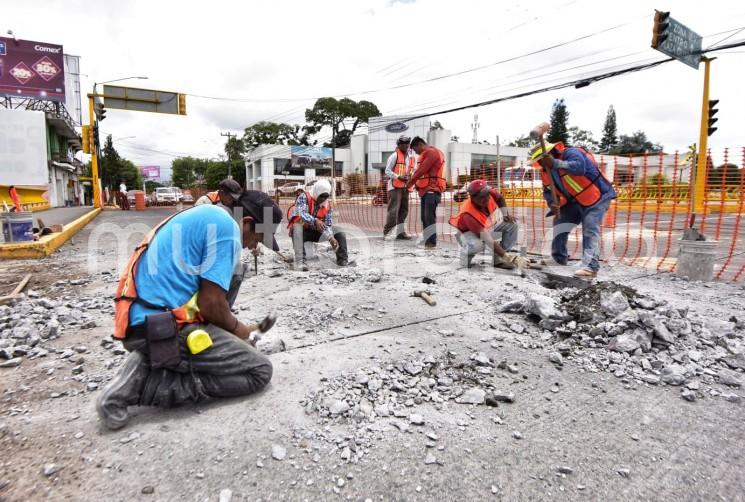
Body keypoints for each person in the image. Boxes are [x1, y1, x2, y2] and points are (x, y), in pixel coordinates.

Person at [96, 191, 282, 430]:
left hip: (139, 319)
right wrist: (241, 333)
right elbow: (211, 304)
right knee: (259, 371)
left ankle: (152, 357)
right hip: (158, 327)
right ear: (246, 223)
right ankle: (145, 385)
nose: (254, 245)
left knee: (236, 271)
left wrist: (231, 331)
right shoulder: (228, 231)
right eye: (258, 237)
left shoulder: (209, 215)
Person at [530, 141, 616, 278]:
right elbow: (547, 190)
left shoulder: (571, 153)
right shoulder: (546, 172)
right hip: (574, 201)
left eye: (542, 160)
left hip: (597, 197)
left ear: (551, 153)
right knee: (559, 224)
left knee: (590, 228)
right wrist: (553, 202)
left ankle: (590, 266)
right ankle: (558, 258)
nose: (541, 163)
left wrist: (556, 163)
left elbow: (579, 168)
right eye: (539, 161)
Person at [449, 179, 527, 269]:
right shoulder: (468, 214)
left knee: (512, 224)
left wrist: (505, 214)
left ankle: (498, 260)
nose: (486, 198)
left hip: (484, 229)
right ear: (473, 198)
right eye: (482, 196)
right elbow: (488, 240)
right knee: (478, 245)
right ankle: (465, 256)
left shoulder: (490, 193)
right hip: (466, 234)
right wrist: (509, 258)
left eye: (487, 195)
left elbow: (500, 198)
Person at [287, 179, 351, 267]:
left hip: (318, 233)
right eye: (321, 196)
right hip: (303, 231)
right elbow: (301, 214)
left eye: (326, 196)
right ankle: (300, 261)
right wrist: (315, 220)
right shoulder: (304, 197)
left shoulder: (327, 206)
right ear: (317, 191)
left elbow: (328, 224)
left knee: (339, 231)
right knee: (296, 228)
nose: (323, 199)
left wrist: (330, 237)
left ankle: (343, 260)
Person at [407, 136, 446, 249]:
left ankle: (431, 242)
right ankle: (428, 239)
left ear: (420, 144)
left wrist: (410, 183)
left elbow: (422, 170)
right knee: (424, 217)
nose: (416, 153)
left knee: (429, 217)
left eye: (415, 150)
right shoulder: (426, 153)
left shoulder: (432, 153)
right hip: (425, 190)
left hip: (432, 190)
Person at [383, 135, 415, 240]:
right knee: (393, 210)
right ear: (399, 145)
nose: (405, 145)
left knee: (404, 210)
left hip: (405, 187)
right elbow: (387, 171)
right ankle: (388, 232)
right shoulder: (394, 156)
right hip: (395, 187)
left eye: (407, 143)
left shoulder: (411, 157)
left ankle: (400, 233)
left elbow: (412, 170)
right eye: (403, 143)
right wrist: (398, 177)